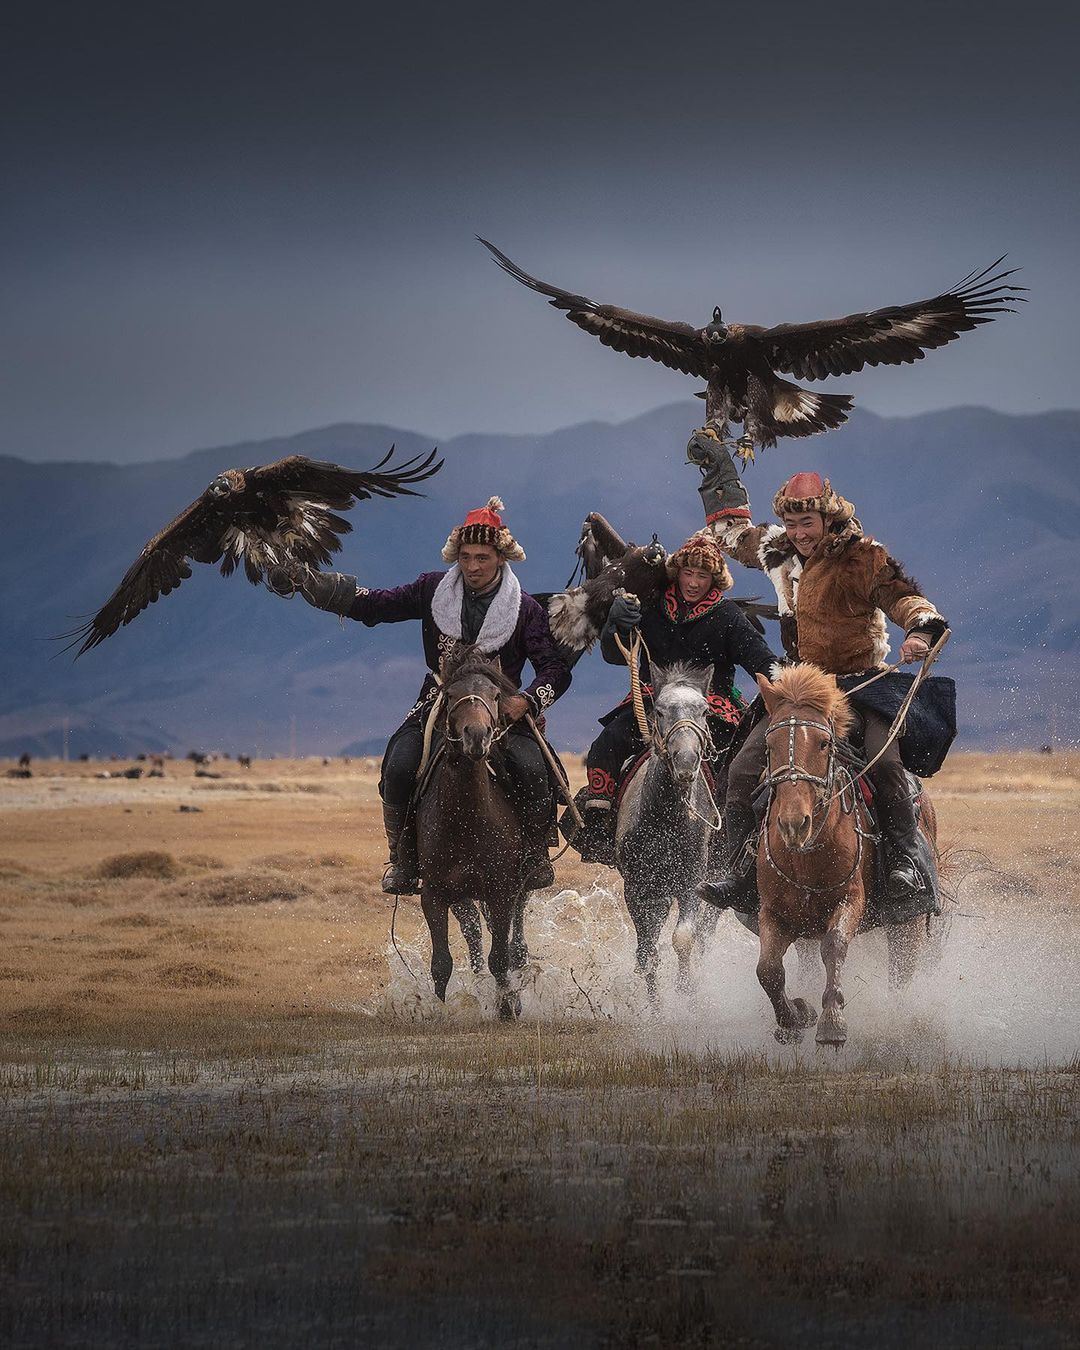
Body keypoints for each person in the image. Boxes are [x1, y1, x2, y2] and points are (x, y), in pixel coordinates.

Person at [686, 427, 950, 910]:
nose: (800, 534)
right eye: (792, 524)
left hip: (861, 685)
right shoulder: (778, 550)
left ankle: (904, 863)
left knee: (886, 764)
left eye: (807, 523)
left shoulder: (863, 558)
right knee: (743, 768)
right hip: (799, 690)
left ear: (826, 517)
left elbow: (905, 596)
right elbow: (729, 535)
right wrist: (718, 472)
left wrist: (918, 630)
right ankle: (734, 869)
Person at [267, 496, 571, 894]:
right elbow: (377, 604)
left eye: (482, 557)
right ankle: (403, 859)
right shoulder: (431, 589)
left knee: (535, 771)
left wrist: (526, 700)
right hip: (439, 701)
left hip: (502, 710)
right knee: (398, 765)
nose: (473, 566)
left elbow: (555, 670)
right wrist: (310, 581)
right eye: (465, 557)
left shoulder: (526, 610)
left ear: (501, 558)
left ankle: (533, 857)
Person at [574, 530, 782, 864]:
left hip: (711, 706)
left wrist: (786, 678)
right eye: (688, 572)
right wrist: (617, 628)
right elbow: (616, 656)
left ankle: (729, 835)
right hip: (653, 702)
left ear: (715, 579)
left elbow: (760, 659)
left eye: (703, 575)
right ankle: (600, 823)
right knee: (606, 743)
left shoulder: (728, 616)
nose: (694, 582)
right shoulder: (651, 606)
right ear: (677, 572)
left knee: (736, 762)